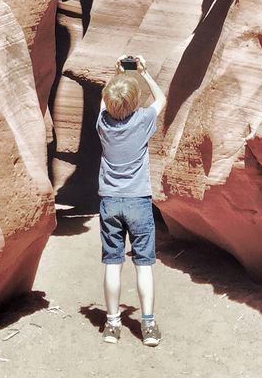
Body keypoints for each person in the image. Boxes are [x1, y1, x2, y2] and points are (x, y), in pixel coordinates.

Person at [96, 54, 166, 346]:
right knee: (144, 264)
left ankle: (112, 325)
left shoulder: (102, 123)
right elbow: (160, 99)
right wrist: (144, 73)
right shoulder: (143, 120)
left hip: (110, 201)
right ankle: (147, 326)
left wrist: (116, 76)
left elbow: (105, 103)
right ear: (135, 101)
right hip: (138, 200)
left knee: (112, 263)